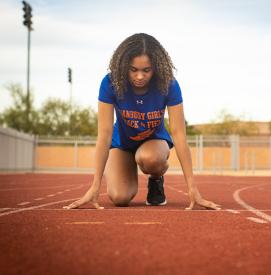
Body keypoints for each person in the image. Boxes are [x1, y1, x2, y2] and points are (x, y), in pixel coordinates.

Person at [64, 33, 220, 210]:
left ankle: (155, 179)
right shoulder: (110, 83)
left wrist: (192, 188)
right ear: (123, 66)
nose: (139, 76)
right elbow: (105, 134)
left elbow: (178, 134)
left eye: (146, 70)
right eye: (133, 70)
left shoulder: (168, 84)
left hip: (153, 143)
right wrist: (95, 186)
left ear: (156, 68)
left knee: (149, 158)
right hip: (122, 144)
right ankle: (126, 170)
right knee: (119, 198)